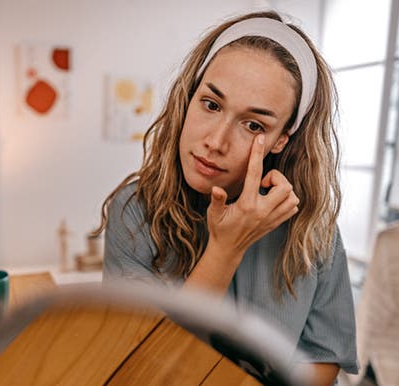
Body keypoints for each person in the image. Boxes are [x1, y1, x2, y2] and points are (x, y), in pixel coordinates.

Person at [95, 10, 358, 386]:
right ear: (189, 97)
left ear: (283, 138)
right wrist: (225, 248)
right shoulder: (134, 211)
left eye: (254, 125)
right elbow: (145, 362)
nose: (215, 142)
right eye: (211, 104)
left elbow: (323, 359)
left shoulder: (312, 226)